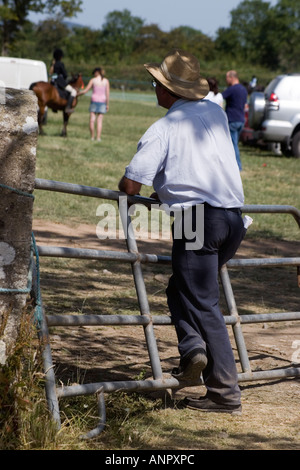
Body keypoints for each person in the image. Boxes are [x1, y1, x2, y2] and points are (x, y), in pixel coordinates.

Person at [118, 49, 246, 414]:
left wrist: (140, 188)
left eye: (155, 84)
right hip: (233, 218)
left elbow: (131, 185)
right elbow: (200, 166)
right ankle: (193, 350)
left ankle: (224, 393)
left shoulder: (165, 127)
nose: (153, 89)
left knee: (204, 303)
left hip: (197, 220)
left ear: (165, 90)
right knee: (184, 288)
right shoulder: (215, 114)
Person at [222, 70, 248, 171]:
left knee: (233, 144)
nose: (226, 80)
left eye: (227, 78)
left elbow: (219, 97)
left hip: (232, 119)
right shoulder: (243, 89)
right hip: (241, 120)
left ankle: (237, 166)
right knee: (234, 143)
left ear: (231, 78)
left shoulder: (232, 89)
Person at [78, 67, 110, 141]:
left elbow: (85, 90)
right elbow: (107, 94)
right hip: (102, 101)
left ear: (97, 72)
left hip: (94, 101)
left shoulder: (93, 80)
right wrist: (107, 104)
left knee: (92, 119)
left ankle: (92, 137)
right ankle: (98, 137)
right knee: (99, 120)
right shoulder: (106, 81)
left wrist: (78, 94)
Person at [49, 48, 77, 114]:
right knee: (74, 91)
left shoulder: (53, 64)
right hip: (60, 82)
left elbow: (51, 73)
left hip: (52, 82)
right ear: (60, 56)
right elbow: (65, 74)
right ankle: (68, 107)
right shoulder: (60, 64)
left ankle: (54, 107)